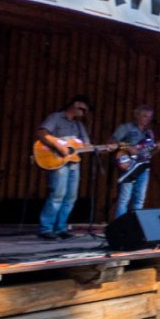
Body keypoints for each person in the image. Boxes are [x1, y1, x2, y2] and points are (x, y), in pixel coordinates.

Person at [36, 95, 93, 240]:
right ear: (76, 104)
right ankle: (46, 228)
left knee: (71, 197)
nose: (84, 112)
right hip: (58, 160)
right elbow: (42, 133)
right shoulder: (56, 117)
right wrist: (59, 145)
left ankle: (61, 228)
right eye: (83, 109)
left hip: (74, 163)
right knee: (57, 195)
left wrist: (103, 148)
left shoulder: (79, 125)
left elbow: (86, 145)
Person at [110, 104, 157, 219]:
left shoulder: (149, 132)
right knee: (124, 198)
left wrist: (158, 148)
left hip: (143, 166)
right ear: (137, 115)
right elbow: (112, 141)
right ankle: (120, 225)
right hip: (128, 164)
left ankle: (136, 224)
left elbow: (149, 153)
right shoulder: (126, 127)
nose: (147, 119)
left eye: (149, 117)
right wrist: (128, 148)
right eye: (144, 116)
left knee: (140, 198)